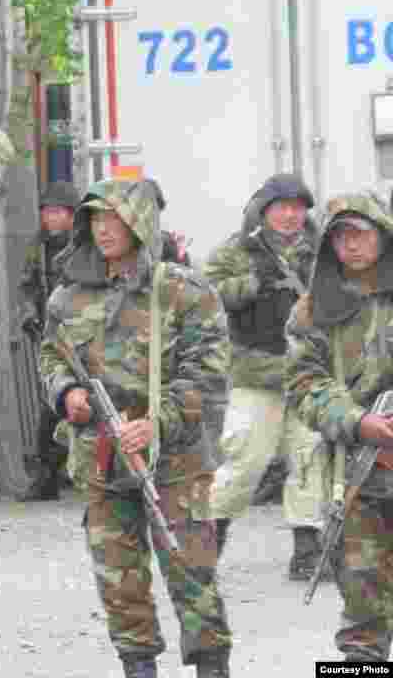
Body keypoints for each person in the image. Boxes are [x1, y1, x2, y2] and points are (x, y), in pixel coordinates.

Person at [41, 178, 232, 678]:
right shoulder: (68, 295)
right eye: (95, 220)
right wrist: (66, 394)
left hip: (175, 458)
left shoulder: (184, 291)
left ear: (141, 223)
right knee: (119, 582)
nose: (103, 230)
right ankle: (138, 668)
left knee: (192, 574)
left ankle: (212, 668)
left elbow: (207, 374)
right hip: (102, 457)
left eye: (115, 219)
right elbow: (50, 356)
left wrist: (156, 423)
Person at [285, 192, 393, 663]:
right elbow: (303, 383)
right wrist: (357, 421)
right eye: (339, 236)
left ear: (382, 234)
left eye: (359, 233)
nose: (349, 244)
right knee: (362, 622)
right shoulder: (311, 310)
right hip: (356, 477)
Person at [204, 174, 324, 580]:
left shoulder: (322, 251)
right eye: (282, 207)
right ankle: (206, 544)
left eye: (298, 207)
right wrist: (252, 284)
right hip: (256, 373)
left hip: (310, 374)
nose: (290, 215)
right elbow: (207, 295)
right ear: (265, 210)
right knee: (245, 461)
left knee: (309, 459)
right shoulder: (238, 249)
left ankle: (307, 550)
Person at [19, 181, 80, 500]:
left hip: (86, 337)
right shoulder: (39, 247)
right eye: (45, 212)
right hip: (52, 339)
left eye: (56, 212)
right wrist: (29, 313)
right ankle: (48, 476)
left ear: (71, 215)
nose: (49, 218)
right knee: (51, 403)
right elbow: (26, 286)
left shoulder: (86, 245)